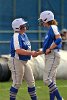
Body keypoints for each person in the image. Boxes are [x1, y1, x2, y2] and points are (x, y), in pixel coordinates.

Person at [33, 11, 64, 100]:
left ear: (47, 19)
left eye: (42, 20)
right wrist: (37, 53)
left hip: (53, 55)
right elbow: (45, 49)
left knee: (46, 79)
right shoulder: (50, 30)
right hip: (51, 55)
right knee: (51, 80)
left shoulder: (53, 27)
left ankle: (59, 98)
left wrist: (50, 48)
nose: (42, 22)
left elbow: (59, 40)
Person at [8, 18, 37, 100]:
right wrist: (31, 53)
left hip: (25, 61)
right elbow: (18, 50)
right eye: (22, 26)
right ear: (17, 27)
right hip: (16, 61)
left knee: (31, 82)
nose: (24, 26)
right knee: (17, 83)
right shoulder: (16, 36)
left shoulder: (24, 35)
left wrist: (33, 53)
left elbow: (26, 49)